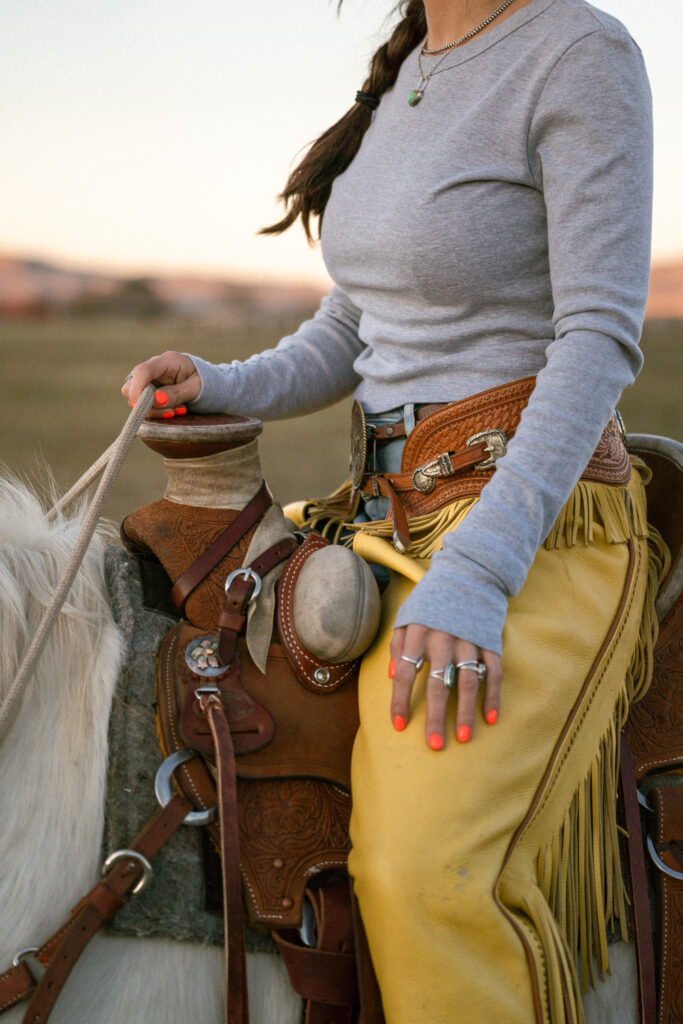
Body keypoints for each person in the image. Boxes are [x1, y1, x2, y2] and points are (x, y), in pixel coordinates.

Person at [123, 1, 664, 1021]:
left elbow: (595, 335)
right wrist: (223, 379)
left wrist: (476, 573)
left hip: (529, 522)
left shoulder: (577, 52)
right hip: (374, 514)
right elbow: (353, 325)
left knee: (427, 878)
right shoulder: (411, 66)